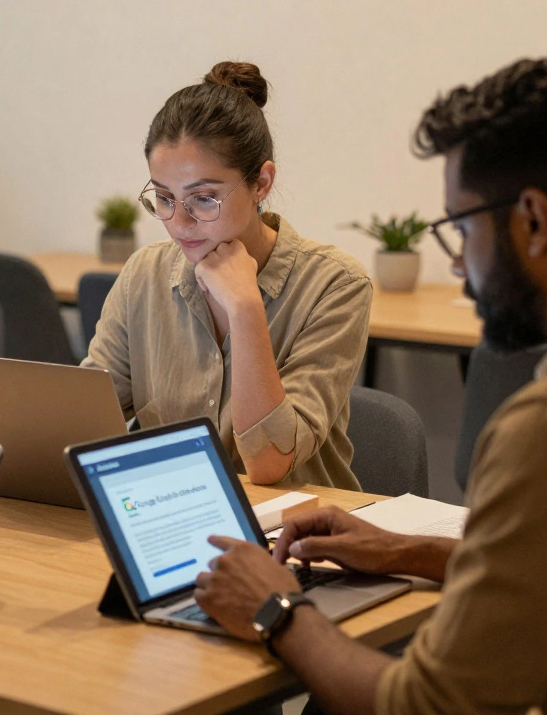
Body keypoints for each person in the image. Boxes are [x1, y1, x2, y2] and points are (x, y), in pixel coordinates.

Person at [195, 53, 547, 714]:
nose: (459, 266)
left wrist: (276, 608)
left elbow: (429, 706)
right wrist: (409, 551)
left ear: (535, 221)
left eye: (461, 229)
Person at [83, 62, 371, 489]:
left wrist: (245, 306)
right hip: (177, 513)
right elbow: (87, 421)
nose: (179, 223)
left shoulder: (336, 284)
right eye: (163, 197)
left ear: (261, 183)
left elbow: (270, 462)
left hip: (296, 536)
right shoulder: (144, 274)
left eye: (203, 198)